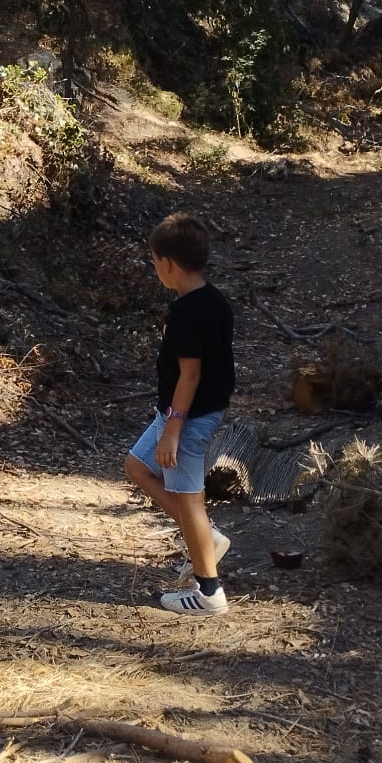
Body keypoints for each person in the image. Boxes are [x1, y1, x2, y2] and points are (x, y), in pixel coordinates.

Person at [123, 211, 236, 615]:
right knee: (137, 466)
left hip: (187, 418)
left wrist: (173, 429)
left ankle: (209, 593)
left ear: (168, 264)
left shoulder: (187, 313)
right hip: (178, 412)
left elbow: (190, 375)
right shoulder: (214, 300)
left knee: (189, 502)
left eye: (155, 261)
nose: (155, 268)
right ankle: (208, 537)